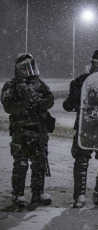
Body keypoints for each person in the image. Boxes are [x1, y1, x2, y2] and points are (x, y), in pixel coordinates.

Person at [63, 49, 98, 208]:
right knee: (86, 161)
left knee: (97, 162)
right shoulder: (82, 82)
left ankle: (95, 194)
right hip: (89, 128)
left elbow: (69, 105)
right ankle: (89, 194)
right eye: (97, 65)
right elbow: (69, 105)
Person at [1, 53, 54, 207]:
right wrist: (25, 103)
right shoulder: (11, 85)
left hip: (38, 130)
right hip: (21, 131)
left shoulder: (40, 84)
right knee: (21, 164)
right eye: (26, 68)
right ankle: (18, 196)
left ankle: (37, 194)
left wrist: (39, 102)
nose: (30, 71)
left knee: (39, 164)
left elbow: (50, 99)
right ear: (19, 70)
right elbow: (8, 106)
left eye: (32, 67)